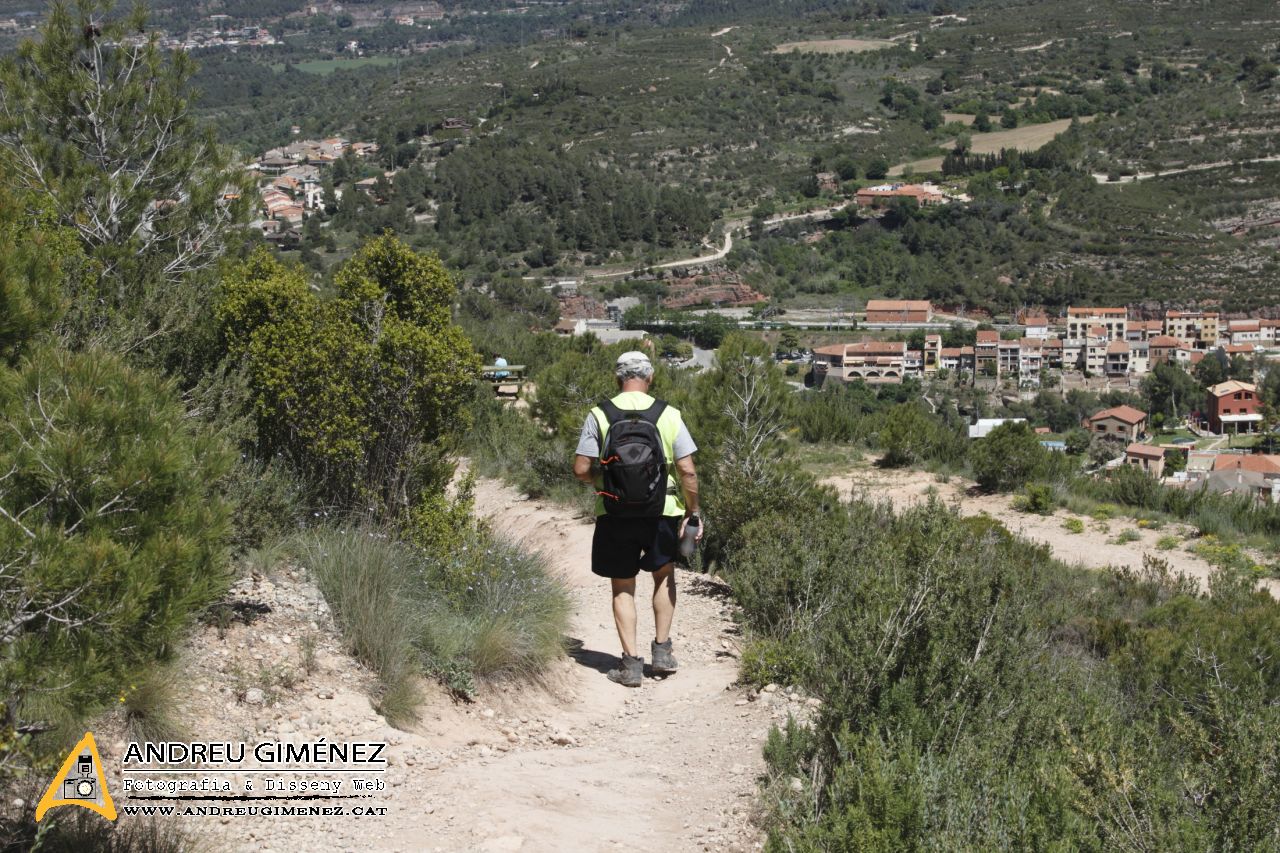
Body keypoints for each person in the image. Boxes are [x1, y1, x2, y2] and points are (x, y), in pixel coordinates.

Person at [573, 351, 702, 687]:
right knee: (663, 576)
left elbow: (581, 469)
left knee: (622, 585)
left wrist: (606, 486)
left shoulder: (599, 414)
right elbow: (687, 470)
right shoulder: (668, 414)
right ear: (651, 377)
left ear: (618, 378)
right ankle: (662, 651)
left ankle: (629, 666)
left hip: (614, 513)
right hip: (662, 511)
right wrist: (693, 512)